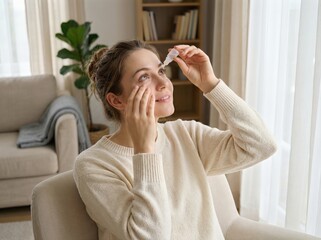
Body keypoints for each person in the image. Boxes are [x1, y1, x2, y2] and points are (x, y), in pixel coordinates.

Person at [73, 40, 277, 240]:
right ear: (117, 100)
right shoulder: (93, 165)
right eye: (144, 77)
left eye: (161, 71)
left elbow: (261, 145)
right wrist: (145, 150)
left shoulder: (185, 134)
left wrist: (210, 84)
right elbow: (151, 236)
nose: (163, 83)